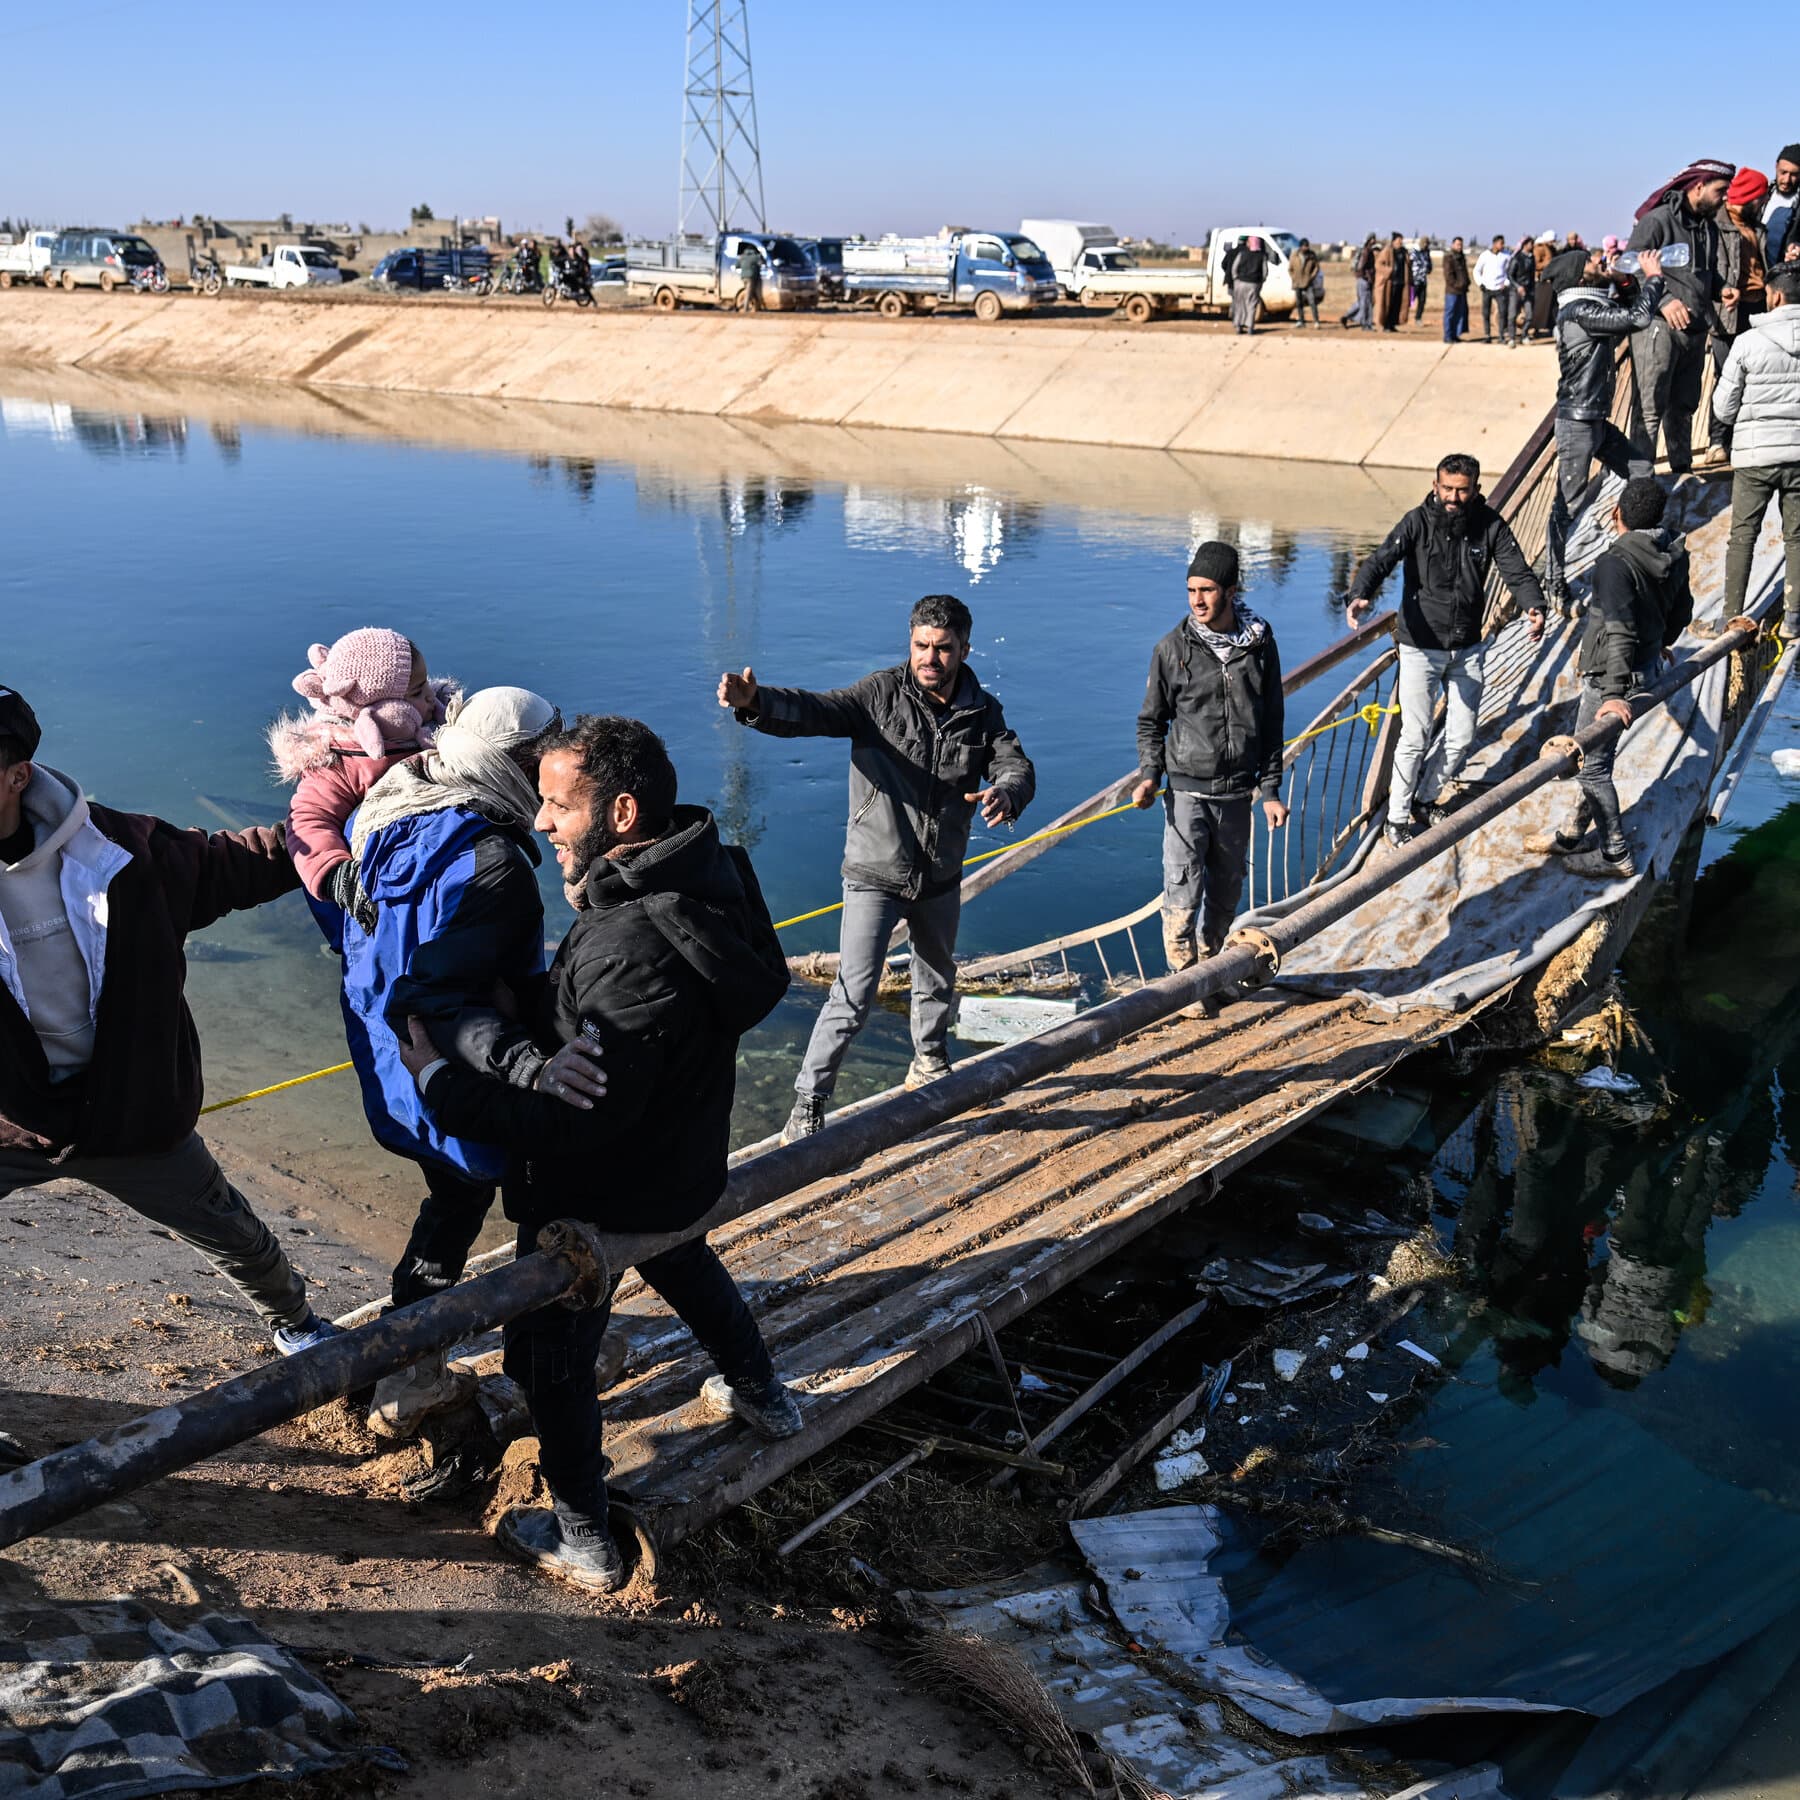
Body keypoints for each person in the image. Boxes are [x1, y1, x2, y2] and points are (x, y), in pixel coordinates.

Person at [396, 715, 800, 1593]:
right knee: (686, 1258)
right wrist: (548, 1000)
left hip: (602, 1192)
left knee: (546, 1352)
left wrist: (440, 1083)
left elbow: (580, 1125)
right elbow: (653, 1024)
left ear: (619, 812)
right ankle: (764, 1396)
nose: (540, 824)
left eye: (556, 805)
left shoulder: (624, 946)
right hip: (686, 1164)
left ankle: (586, 1539)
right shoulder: (715, 871)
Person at [0, 686, 336, 1354]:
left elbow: (250, 861)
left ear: (17, 775)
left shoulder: (126, 854)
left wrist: (352, 812)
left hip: (131, 1115)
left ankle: (297, 1328)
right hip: (11, 1121)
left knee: (239, 1237)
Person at [323, 686, 568, 1437]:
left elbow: (356, 928)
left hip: (395, 1064)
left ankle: (404, 1358)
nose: (558, 769)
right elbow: (451, 991)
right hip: (460, 1069)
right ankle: (513, 1363)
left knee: (452, 1201)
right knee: (541, 1201)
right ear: (512, 763)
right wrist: (531, 1065)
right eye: (546, 755)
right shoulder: (496, 864)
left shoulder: (395, 806)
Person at [719, 595, 1035, 1143]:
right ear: (909, 642)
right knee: (853, 994)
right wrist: (755, 703)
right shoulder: (879, 694)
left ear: (964, 648)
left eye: (941, 648)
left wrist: (1007, 792)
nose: (929, 658)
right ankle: (809, 1102)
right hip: (874, 872)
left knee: (936, 979)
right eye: (920, 646)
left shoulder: (983, 712)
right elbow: (815, 710)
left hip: (939, 875)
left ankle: (930, 1065)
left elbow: (1014, 763)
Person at [1346, 454, 1547, 846]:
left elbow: (1516, 569)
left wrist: (1534, 605)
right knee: (1415, 736)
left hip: (1467, 647)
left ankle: (1424, 798)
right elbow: (1381, 559)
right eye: (1447, 488)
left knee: (1461, 735)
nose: (1453, 497)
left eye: (1462, 490)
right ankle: (1398, 819)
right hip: (1421, 646)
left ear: (1475, 490)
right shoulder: (1417, 523)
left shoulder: (1489, 525)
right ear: (1436, 486)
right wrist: (1360, 595)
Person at [1524, 478, 1703, 879]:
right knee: (1596, 758)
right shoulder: (1674, 550)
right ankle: (1572, 835)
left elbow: (1620, 629)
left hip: (1611, 675)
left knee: (1590, 767)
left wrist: (1613, 693)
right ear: (1659, 517)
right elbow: (1682, 610)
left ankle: (1614, 853)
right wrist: (1660, 643)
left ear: (1615, 512)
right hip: (1646, 667)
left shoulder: (1614, 563)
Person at [1133, 543, 1288, 973]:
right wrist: (1150, 775)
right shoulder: (1171, 650)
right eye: (1190, 590)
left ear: (1232, 590)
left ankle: (1210, 973)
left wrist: (1271, 790)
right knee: (1182, 897)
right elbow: (1151, 722)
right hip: (1186, 794)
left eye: (1207, 590)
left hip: (1238, 795)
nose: (1197, 600)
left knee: (1225, 898)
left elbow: (1272, 720)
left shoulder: (1259, 643)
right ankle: (1183, 988)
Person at [268, 628, 457, 903]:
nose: (431, 696)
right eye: (417, 691)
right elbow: (309, 820)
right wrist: (337, 875)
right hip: (375, 891)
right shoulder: (338, 765)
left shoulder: (438, 727)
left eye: (426, 683)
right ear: (382, 711)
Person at [1544, 250, 1664, 606]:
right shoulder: (1580, 311)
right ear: (1579, 278)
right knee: (1567, 506)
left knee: (1641, 470)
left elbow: (1627, 308)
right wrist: (1654, 277)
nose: (1600, 261)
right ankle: (1553, 583)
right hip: (1577, 421)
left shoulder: (1589, 305)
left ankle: (1631, 541)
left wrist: (1622, 280)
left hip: (1594, 417)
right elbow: (1638, 318)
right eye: (1592, 262)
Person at [1626, 159, 1738, 475]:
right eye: (1720, 190)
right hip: (1658, 330)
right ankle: (1639, 482)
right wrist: (1663, 300)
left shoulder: (1709, 227)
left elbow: (1704, 275)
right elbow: (1631, 265)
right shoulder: (1657, 221)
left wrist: (1722, 289)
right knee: (1649, 409)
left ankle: (1681, 472)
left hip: (1695, 330)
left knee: (1684, 407)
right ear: (1698, 186)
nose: (1725, 198)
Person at [1713, 262, 1800, 634]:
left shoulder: (1748, 342)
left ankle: (1730, 615)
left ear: (1775, 295)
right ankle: (1794, 616)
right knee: (1797, 535)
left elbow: (1722, 408)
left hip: (1755, 456)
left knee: (1743, 535)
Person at [1702, 169, 1771, 470]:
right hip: (1728, 313)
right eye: (1758, 198)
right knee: (1726, 377)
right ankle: (1718, 442)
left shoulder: (1757, 228)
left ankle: (1742, 442)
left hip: (1758, 310)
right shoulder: (1717, 226)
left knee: (1755, 379)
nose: (1762, 203)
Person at [1762, 147, 1800, 270]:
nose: (1787, 180)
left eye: (1794, 175)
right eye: (1783, 172)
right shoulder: (1762, 195)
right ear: (1776, 167)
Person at [1224, 234, 1267, 334]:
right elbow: (1265, 272)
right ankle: (1250, 328)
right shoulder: (1262, 256)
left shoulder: (1242, 254)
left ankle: (1238, 326)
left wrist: (1236, 279)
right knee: (1251, 305)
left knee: (1239, 304)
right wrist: (1260, 282)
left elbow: (1234, 268)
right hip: (1254, 284)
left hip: (1240, 283)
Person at [1476, 235, 1514, 344]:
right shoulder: (1485, 255)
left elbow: (1510, 271)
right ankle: (1487, 335)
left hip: (1500, 288)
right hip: (1487, 288)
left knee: (1502, 312)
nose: (1503, 245)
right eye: (1501, 243)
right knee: (1486, 312)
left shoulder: (1506, 256)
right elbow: (1477, 270)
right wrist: (1480, 283)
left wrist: (1506, 283)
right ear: (1495, 243)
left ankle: (1501, 335)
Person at [1341, 235, 1376, 330]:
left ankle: (1347, 317)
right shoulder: (1366, 252)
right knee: (1366, 303)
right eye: (1373, 238)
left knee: (1363, 302)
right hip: (1364, 280)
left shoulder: (1367, 251)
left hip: (1364, 280)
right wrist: (1366, 277)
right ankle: (1365, 324)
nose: (1374, 240)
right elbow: (1361, 266)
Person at [1507, 234, 1537, 346]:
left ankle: (1524, 335)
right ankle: (1511, 338)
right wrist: (1518, 286)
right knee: (1512, 315)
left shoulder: (1532, 257)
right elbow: (1510, 275)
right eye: (1530, 244)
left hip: (1528, 291)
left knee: (1529, 315)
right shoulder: (1516, 258)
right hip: (1516, 291)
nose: (1532, 245)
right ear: (1524, 245)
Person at [1442, 236, 1470, 344]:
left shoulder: (1461, 257)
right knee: (1450, 313)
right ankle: (1448, 336)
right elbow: (1448, 275)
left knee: (1459, 314)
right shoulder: (1449, 257)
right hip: (1452, 291)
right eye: (1458, 244)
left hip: (1462, 291)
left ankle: (1455, 335)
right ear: (1453, 245)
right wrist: (1457, 284)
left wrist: (1466, 283)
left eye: (1461, 245)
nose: (1460, 247)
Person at [1374, 231, 1405, 332]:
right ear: (1393, 241)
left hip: (1400, 282)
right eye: (1399, 240)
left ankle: (1392, 324)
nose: (1400, 242)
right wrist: (1389, 271)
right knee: (1388, 304)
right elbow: (1378, 264)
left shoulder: (1403, 252)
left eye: (1401, 240)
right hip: (1390, 283)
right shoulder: (1387, 251)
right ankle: (1386, 325)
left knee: (1397, 305)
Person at [1290, 238, 1321, 326]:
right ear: (1300, 247)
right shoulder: (1294, 255)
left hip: (1308, 282)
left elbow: (1316, 267)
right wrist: (1293, 277)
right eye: (1304, 246)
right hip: (1297, 282)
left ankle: (1316, 321)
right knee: (1299, 302)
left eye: (1307, 246)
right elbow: (1290, 269)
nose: (1306, 248)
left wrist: (1311, 277)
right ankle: (1301, 320)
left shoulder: (1311, 255)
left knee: (1312, 301)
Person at [1408, 237, 1432, 322]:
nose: (1426, 245)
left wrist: (1429, 269)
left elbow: (1429, 265)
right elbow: (1409, 265)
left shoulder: (1426, 253)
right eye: (1425, 243)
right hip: (1414, 281)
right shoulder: (1414, 252)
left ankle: (1418, 318)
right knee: (1410, 300)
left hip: (1423, 280)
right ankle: (1404, 315)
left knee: (1422, 300)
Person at [736, 238, 764, 312]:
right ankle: (744, 308)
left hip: (743, 277)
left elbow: (737, 265)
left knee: (750, 293)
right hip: (751, 277)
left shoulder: (742, 256)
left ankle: (741, 306)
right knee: (749, 294)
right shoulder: (755, 256)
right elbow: (761, 262)